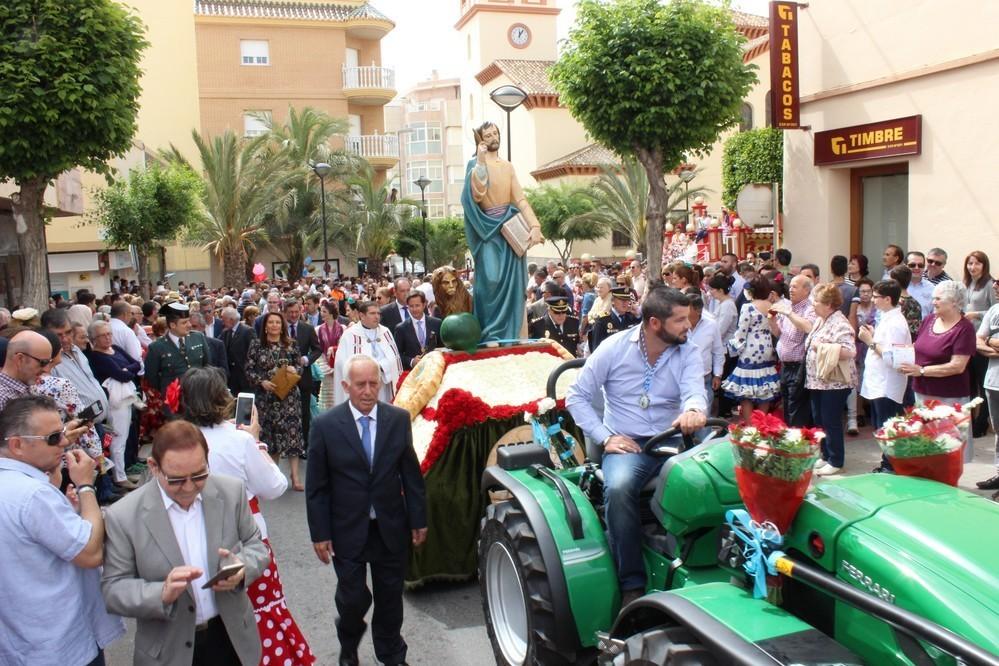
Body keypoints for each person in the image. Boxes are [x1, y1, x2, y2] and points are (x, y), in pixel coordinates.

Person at [566, 286, 707, 606]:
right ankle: (631, 582)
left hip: (675, 439)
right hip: (629, 445)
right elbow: (576, 396)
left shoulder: (689, 350)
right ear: (655, 323)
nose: (689, 325)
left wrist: (695, 411)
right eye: (681, 320)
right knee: (618, 488)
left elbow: (694, 392)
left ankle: (705, 559)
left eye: (689, 318)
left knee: (717, 477)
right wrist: (605, 437)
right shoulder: (613, 348)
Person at [102, 420, 269, 666]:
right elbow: (113, 590)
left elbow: (256, 545)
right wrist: (160, 593)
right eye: (177, 480)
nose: (190, 487)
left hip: (230, 639)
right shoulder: (124, 515)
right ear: (154, 466)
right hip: (168, 649)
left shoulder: (230, 492)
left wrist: (242, 567)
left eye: (199, 475)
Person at [178, 369, 316, 665]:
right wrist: (255, 441)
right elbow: (274, 485)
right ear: (220, 398)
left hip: (192, 542)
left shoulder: (176, 441)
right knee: (259, 609)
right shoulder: (237, 440)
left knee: (212, 617)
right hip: (245, 540)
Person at [306, 354, 428, 666]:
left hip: (390, 526)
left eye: (373, 383)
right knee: (352, 599)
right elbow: (317, 487)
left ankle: (391, 653)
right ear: (346, 386)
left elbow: (410, 475)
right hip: (346, 529)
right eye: (360, 384)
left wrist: (418, 518)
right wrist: (319, 534)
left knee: (390, 599)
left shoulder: (397, 420)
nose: (368, 391)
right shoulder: (325, 426)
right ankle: (349, 645)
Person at [0, 395, 123, 666]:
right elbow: (90, 552)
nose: (65, 442)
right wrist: (86, 486)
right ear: (17, 445)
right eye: (54, 437)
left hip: (22, 642)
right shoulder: (32, 494)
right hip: (58, 643)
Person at [461, 121, 544, 342]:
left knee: (515, 285)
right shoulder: (474, 164)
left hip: (509, 229)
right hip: (488, 230)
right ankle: (490, 333)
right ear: (481, 139)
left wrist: (535, 225)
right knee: (491, 280)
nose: (493, 137)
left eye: (495, 133)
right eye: (487, 135)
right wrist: (480, 161)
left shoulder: (507, 166)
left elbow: (520, 198)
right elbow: (477, 194)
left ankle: (512, 333)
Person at [900, 280, 977, 464]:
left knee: (948, 447)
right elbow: (918, 347)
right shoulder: (929, 320)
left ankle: (947, 486)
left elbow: (957, 366)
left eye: (938, 299)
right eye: (933, 298)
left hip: (949, 398)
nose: (933, 302)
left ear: (954, 302)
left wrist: (923, 370)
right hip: (922, 393)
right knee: (924, 445)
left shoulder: (964, 329)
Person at [245, 311, 306, 490]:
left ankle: (295, 477)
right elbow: (249, 370)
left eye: (277, 323)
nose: (274, 326)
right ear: (265, 326)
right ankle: (274, 475)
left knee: (292, 435)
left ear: (282, 326)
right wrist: (261, 381)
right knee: (271, 438)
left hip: (289, 398)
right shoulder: (256, 345)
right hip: (267, 398)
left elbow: (300, 367)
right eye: (270, 322)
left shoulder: (291, 344)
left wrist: (296, 371)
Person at [858, 280, 912, 473]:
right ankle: (887, 462)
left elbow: (892, 357)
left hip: (887, 384)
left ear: (888, 299)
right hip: (880, 382)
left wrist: (870, 341)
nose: (872, 300)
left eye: (876, 296)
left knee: (887, 425)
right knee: (882, 425)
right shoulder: (887, 317)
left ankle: (891, 466)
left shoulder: (896, 323)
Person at [804, 283, 857, 476]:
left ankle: (836, 459)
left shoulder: (840, 322)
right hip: (818, 381)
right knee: (819, 418)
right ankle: (825, 454)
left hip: (834, 383)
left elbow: (850, 351)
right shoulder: (821, 319)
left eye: (816, 301)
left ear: (828, 304)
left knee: (830, 420)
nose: (813, 305)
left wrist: (823, 347)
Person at [85, 319, 143, 491]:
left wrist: (126, 370)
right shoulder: (97, 356)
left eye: (109, 334)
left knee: (123, 436)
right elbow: (122, 375)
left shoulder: (116, 349)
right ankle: (119, 476)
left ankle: (121, 471)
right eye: (103, 335)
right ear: (94, 339)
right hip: (113, 402)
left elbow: (136, 364)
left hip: (125, 399)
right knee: (118, 438)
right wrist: (126, 371)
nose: (108, 338)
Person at [721, 276, 781, 424]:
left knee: (746, 390)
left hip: (751, 348)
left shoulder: (748, 307)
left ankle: (750, 424)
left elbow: (742, 330)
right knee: (764, 386)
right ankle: (761, 422)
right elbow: (776, 330)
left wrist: (734, 346)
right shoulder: (772, 307)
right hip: (767, 346)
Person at [332, 302, 404, 405]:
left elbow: (395, 359)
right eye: (372, 313)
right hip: (361, 388)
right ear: (362, 316)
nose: (377, 317)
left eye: (378, 313)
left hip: (384, 386)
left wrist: (382, 366)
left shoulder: (385, 332)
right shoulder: (350, 335)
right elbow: (342, 364)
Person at [769, 274, 817, 427]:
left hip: (799, 366)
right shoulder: (788, 306)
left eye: (795, 286)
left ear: (806, 290)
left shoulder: (810, 308)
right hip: (785, 365)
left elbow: (808, 327)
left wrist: (789, 314)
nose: (791, 289)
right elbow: (779, 333)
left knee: (797, 409)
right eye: (790, 286)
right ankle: (791, 441)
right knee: (787, 406)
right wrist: (772, 320)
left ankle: (799, 443)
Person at [144, 302, 209, 395]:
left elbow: (208, 365)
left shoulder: (198, 338)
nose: (189, 325)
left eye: (189, 321)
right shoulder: (156, 347)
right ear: (172, 325)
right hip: (173, 402)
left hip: (199, 396)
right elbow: (151, 378)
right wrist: (167, 391)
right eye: (184, 322)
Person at [283, 299, 322, 444]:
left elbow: (318, 349)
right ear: (285, 312)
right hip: (283, 377)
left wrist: (307, 359)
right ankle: (287, 442)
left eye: (296, 312)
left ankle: (304, 444)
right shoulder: (278, 328)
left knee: (304, 412)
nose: (294, 315)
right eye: (290, 312)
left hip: (303, 378)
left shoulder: (307, 328)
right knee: (285, 411)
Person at [975, 283, 999, 491]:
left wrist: (991, 340)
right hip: (993, 381)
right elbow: (978, 340)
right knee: (998, 430)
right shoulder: (994, 310)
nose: (995, 286)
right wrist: (991, 342)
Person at [685, 291, 724, 410]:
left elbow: (718, 351)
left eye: (687, 308)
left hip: (704, 378)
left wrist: (717, 375)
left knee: (703, 415)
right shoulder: (677, 325)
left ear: (698, 310)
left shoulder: (711, 325)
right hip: (682, 377)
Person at [395, 290, 442, 368]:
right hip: (413, 373)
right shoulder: (401, 328)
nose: (414, 309)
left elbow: (442, 347)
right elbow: (397, 354)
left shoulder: (436, 323)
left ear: (424, 305)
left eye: (417, 305)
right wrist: (411, 361)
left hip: (434, 368)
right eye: (411, 306)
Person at [589, 286, 641, 351]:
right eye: (621, 299)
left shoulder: (632, 318)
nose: (625, 303)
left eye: (627, 300)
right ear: (613, 301)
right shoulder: (602, 320)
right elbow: (596, 347)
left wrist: (638, 315)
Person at [219, 306, 256, 396]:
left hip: (244, 378)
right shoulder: (225, 332)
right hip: (231, 378)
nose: (223, 323)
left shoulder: (248, 331)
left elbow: (254, 352)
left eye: (224, 320)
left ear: (231, 320)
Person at [189, 312, 228, 380]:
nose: (191, 330)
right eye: (189, 327)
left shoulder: (217, 344)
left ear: (203, 327)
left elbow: (224, 371)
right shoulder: (183, 344)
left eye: (194, 326)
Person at [108, 301, 144, 375]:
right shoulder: (126, 331)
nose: (132, 316)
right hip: (126, 372)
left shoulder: (104, 326)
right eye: (131, 313)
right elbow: (136, 356)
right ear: (125, 314)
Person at [905, 251, 934, 316]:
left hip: (924, 325)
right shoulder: (897, 286)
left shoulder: (931, 288)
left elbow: (934, 314)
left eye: (920, 265)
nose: (916, 268)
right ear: (905, 266)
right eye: (912, 265)